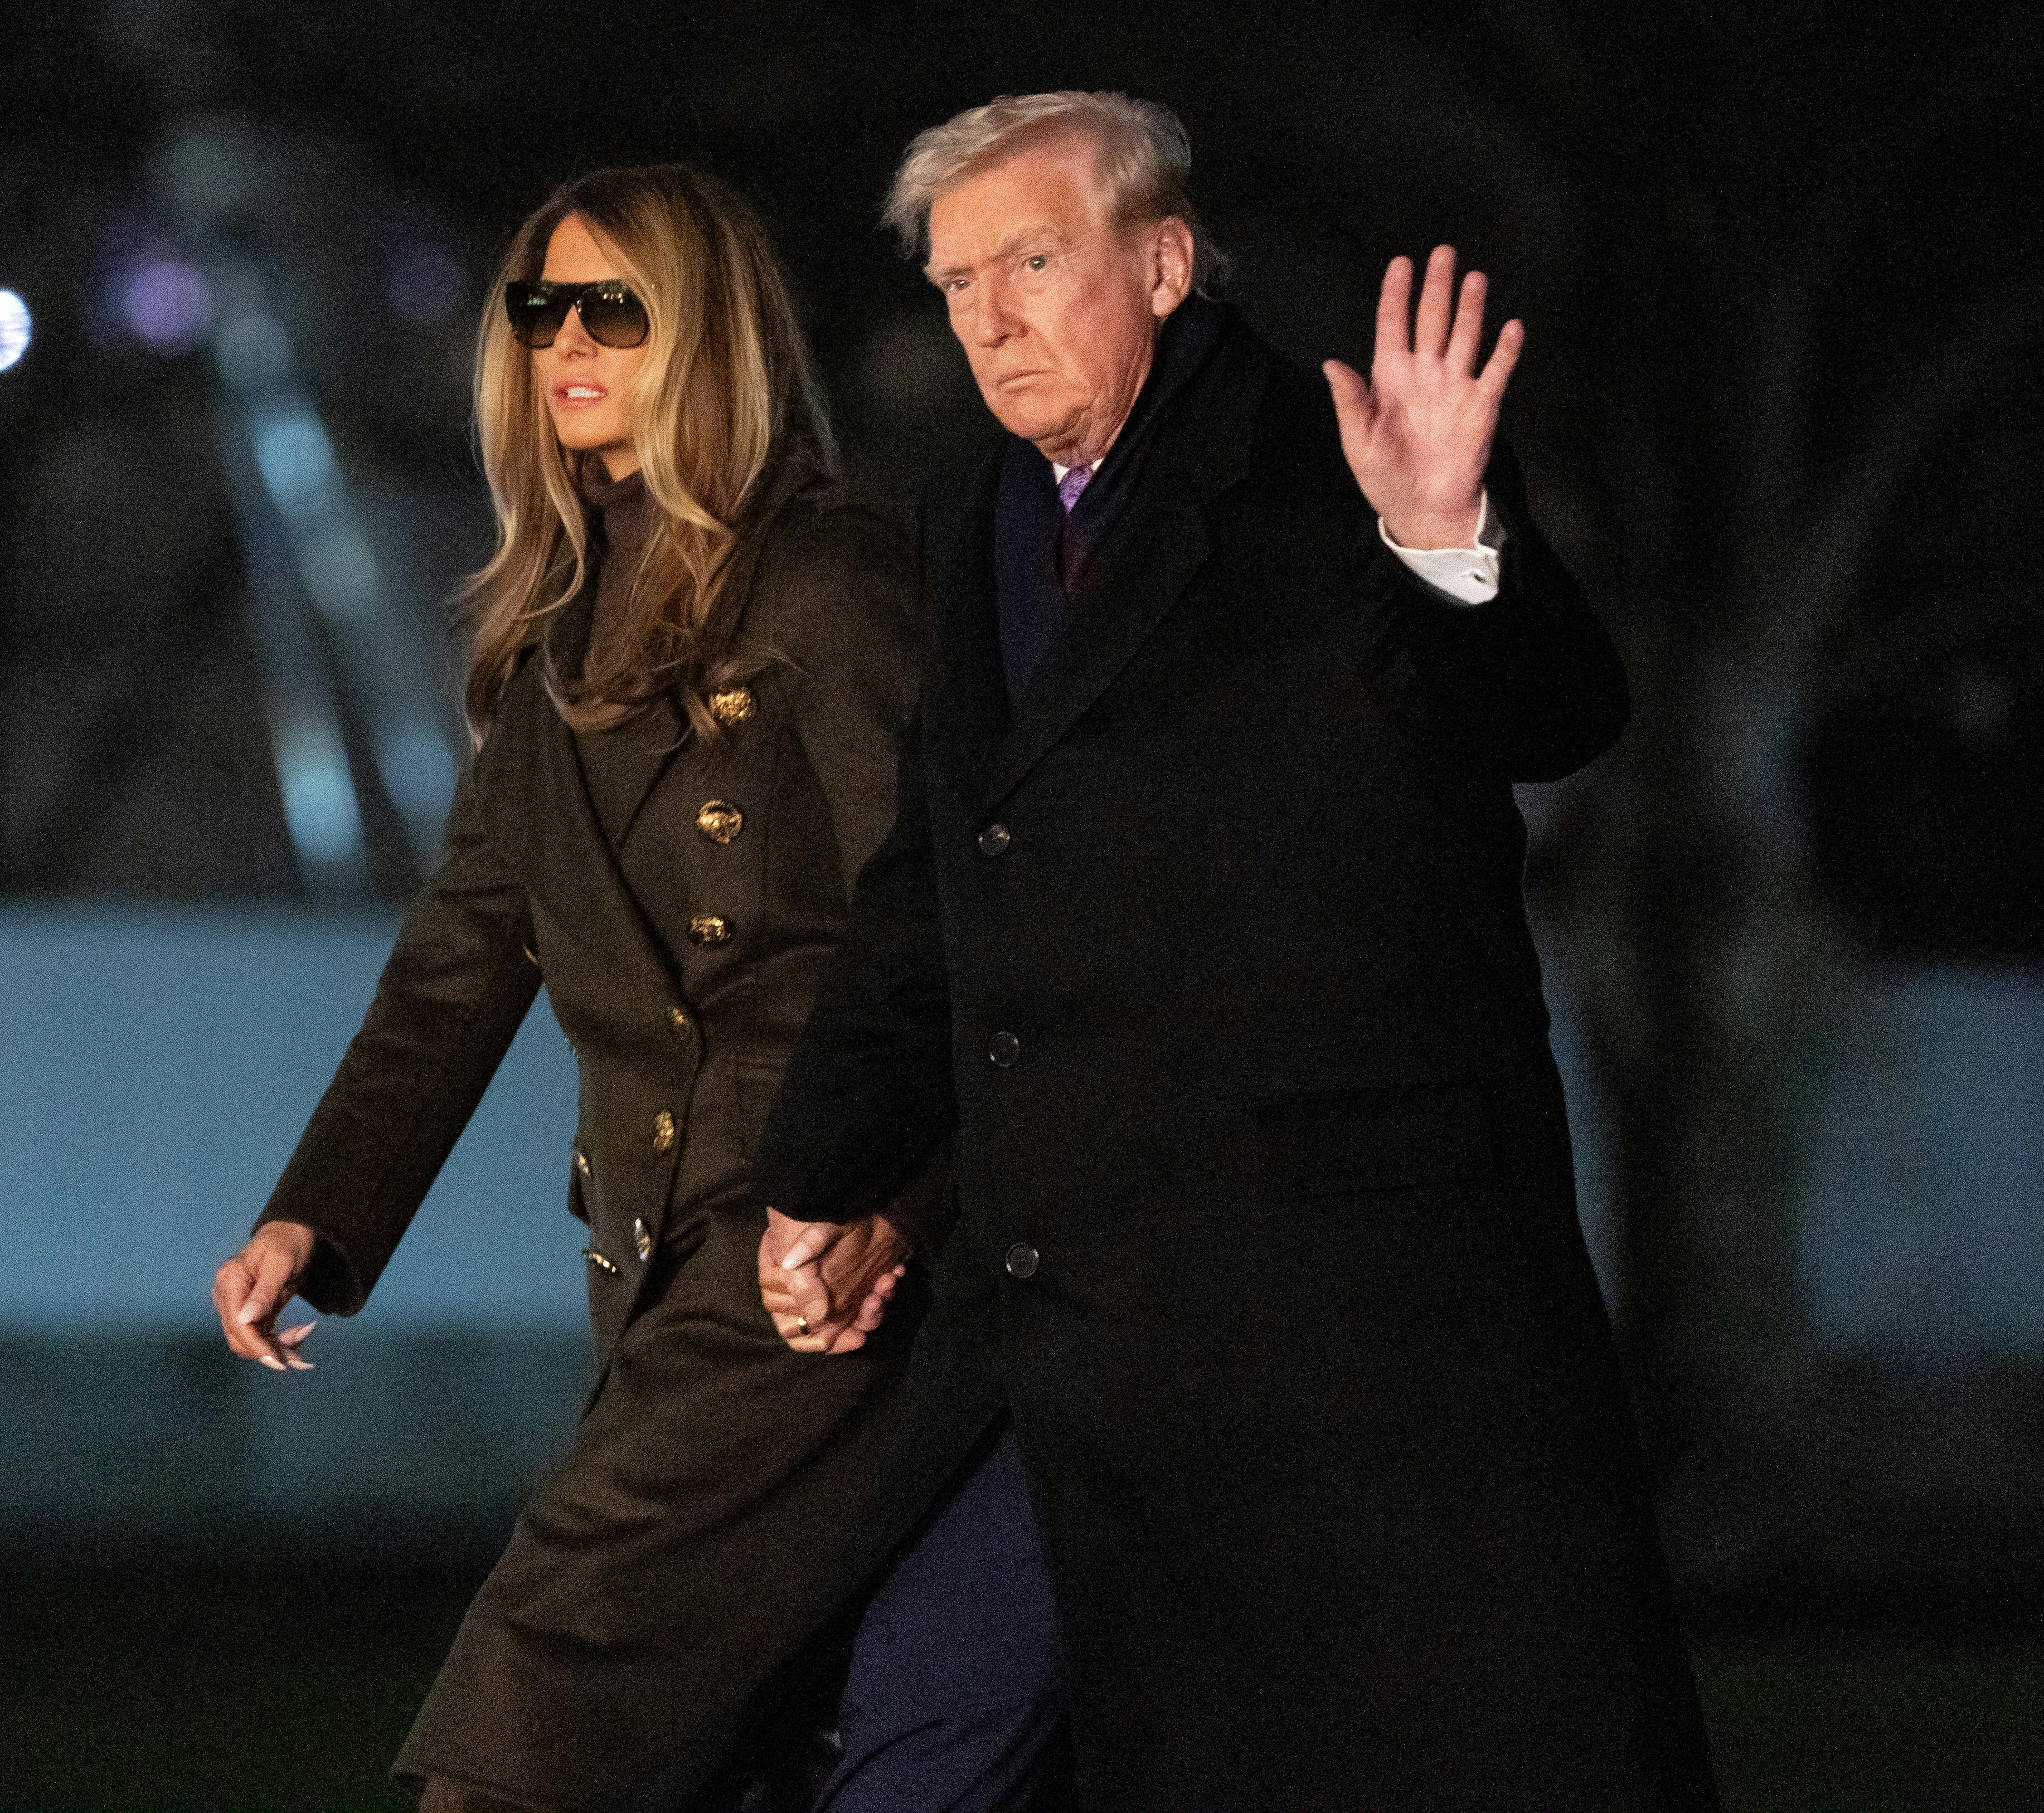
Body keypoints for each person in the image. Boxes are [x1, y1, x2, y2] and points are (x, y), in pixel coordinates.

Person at [752, 93, 1720, 1809]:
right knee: (906, 1745)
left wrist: (1443, 535)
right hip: (1068, 1335)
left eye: (1030, 262)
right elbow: (943, 875)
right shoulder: (977, 514)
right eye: (957, 280)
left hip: (1346, 1336)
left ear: (1168, 260)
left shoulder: (1326, 455)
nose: (985, 314)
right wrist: (827, 1170)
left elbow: (1556, 708)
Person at [209, 164, 935, 1813]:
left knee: (539, 1693)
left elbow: (947, 920)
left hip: (811, 1259)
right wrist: (313, 1217)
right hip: (651, 1264)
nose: (567, 343)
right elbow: (463, 954)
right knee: (708, 1751)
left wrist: (885, 1199)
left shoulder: (827, 582)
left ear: (710, 340)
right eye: (543, 307)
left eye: (618, 308)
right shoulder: (549, 646)